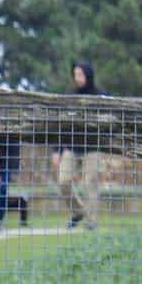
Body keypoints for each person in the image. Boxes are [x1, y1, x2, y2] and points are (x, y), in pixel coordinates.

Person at [52, 60, 103, 229]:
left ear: (88, 75)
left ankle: (91, 222)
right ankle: (77, 212)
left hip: (92, 147)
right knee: (63, 181)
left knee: (90, 183)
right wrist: (56, 150)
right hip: (71, 146)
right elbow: (62, 125)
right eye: (75, 74)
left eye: (80, 74)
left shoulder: (100, 95)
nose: (77, 78)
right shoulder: (69, 95)